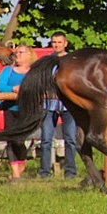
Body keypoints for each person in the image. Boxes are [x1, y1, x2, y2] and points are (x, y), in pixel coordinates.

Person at [0, 44, 36, 182]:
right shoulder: (8, 70)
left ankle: (22, 159)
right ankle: (15, 173)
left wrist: (23, 88)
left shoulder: (33, 72)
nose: (17, 55)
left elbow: (37, 86)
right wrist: (13, 88)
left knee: (20, 140)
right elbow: (0, 86)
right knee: (11, 139)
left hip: (26, 110)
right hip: (8, 109)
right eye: (16, 52)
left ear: (29, 54)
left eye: (21, 52)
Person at [38, 31, 78, 179]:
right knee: (46, 139)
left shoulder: (72, 60)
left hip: (68, 105)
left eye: (59, 42)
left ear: (65, 43)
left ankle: (70, 172)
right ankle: (44, 172)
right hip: (49, 104)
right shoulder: (46, 61)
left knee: (70, 139)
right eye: (54, 42)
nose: (56, 45)